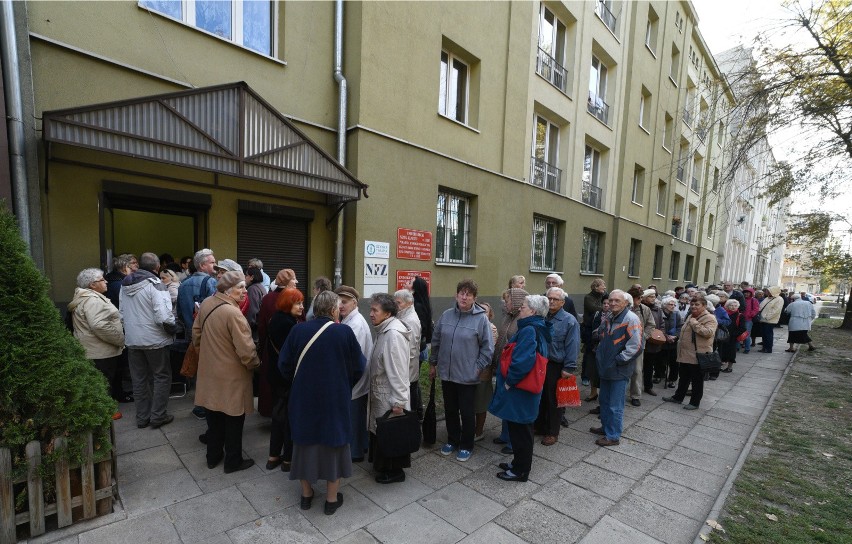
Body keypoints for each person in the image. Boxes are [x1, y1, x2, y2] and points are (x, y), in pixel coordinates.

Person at [279, 291, 365, 516]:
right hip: (334, 398)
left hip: (303, 396)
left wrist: (300, 382)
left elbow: (284, 365)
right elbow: (359, 367)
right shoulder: (343, 332)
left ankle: (306, 495)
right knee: (334, 445)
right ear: (334, 310)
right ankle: (331, 499)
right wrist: (343, 384)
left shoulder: (298, 330)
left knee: (303, 444)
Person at [193, 270, 260, 473]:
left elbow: (196, 334)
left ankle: (212, 457)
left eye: (244, 288)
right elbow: (247, 350)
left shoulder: (206, 303)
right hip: (232, 376)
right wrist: (255, 365)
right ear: (228, 290)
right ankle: (233, 461)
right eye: (240, 288)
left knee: (213, 418)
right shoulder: (233, 313)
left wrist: (206, 356)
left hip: (209, 372)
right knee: (234, 419)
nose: (244, 292)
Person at [429, 279, 494, 463]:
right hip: (447, 374)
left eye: (468, 294)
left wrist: (478, 367)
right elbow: (436, 341)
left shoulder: (481, 319)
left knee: (467, 412)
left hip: (467, 376)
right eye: (461, 293)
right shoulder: (447, 315)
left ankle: (466, 445)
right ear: (456, 295)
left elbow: (487, 348)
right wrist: (433, 363)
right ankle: (452, 440)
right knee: (450, 409)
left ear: (474, 298)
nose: (464, 297)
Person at [490, 295, 551, 481]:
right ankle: (517, 463)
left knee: (521, 431)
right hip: (525, 391)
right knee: (520, 429)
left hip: (521, 390)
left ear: (532, 311)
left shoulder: (529, 330)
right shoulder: (537, 326)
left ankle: (520, 471)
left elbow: (523, 361)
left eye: (523, 307)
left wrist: (510, 381)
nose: (520, 309)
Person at [119, 252, 176, 429]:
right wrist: (173, 329)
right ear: (157, 267)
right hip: (155, 340)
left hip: (133, 340)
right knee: (161, 377)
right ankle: (158, 416)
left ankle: (142, 417)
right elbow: (164, 317)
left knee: (139, 379)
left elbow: (121, 314)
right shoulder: (156, 284)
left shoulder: (124, 284)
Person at [68, 268, 126, 420]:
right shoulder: (92, 300)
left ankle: (103, 412)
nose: (106, 281)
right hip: (101, 351)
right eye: (102, 279)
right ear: (93, 284)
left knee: (99, 382)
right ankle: (106, 414)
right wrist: (120, 339)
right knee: (104, 382)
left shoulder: (86, 297)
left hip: (93, 349)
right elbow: (99, 326)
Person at [367, 293, 412, 484]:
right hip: (381, 393)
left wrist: (399, 401)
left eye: (375, 310)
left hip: (389, 396)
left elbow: (399, 371)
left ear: (387, 313)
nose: (370, 314)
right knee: (383, 433)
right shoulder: (384, 329)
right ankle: (384, 466)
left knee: (391, 433)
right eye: (371, 309)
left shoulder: (393, 335)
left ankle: (395, 472)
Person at [590, 290, 642, 446]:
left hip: (619, 369)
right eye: (610, 300)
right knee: (604, 401)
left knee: (615, 405)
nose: (612, 303)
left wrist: (619, 360)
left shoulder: (631, 318)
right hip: (606, 367)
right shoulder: (610, 316)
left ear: (625, 303)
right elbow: (603, 336)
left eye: (617, 301)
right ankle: (606, 427)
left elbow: (636, 346)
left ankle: (613, 436)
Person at [265, 288, 304, 472]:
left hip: (275, 373)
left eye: (302, 303)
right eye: (298, 303)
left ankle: (273, 456)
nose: (302, 307)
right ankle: (288, 458)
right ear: (288, 303)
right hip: (286, 376)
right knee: (289, 417)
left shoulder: (276, 318)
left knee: (278, 415)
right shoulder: (290, 324)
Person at [177, 248, 218, 420]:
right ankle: (204, 406)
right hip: (205, 332)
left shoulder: (183, 283)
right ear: (202, 265)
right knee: (207, 369)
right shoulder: (210, 283)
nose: (215, 266)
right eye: (212, 262)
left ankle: (198, 402)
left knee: (195, 365)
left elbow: (179, 311)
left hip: (189, 329)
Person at [535, 287, 579, 446]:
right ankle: (539, 426)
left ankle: (553, 432)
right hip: (540, 362)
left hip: (556, 364)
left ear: (562, 302)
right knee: (540, 397)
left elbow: (573, 345)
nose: (551, 301)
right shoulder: (541, 316)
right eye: (549, 298)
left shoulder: (569, 320)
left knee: (554, 400)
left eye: (555, 299)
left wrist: (569, 367)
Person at [335, 285, 373, 462]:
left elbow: (350, 356)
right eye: (338, 302)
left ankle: (355, 453)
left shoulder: (355, 323)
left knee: (354, 416)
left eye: (344, 302)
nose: (340, 305)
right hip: (357, 378)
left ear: (354, 302)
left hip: (355, 379)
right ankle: (361, 446)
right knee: (357, 416)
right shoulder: (350, 320)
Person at [663, 294, 717, 410]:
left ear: (704, 306)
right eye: (692, 304)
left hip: (698, 354)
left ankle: (694, 402)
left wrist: (694, 323)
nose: (693, 306)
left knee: (697, 380)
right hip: (685, 353)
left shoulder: (709, 318)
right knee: (683, 377)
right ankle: (678, 397)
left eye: (697, 304)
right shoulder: (691, 316)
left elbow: (708, 333)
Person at [256, 269, 298, 417]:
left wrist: (261, 349)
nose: (296, 282)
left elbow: (261, 326)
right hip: (290, 351)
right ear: (288, 281)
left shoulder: (267, 298)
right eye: (294, 279)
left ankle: (270, 411)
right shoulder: (294, 298)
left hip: (270, 346)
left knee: (270, 382)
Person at [491, 288, 528, 453]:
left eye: (507, 301)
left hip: (512, 368)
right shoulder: (509, 316)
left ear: (517, 301)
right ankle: (505, 435)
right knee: (505, 403)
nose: (505, 304)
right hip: (502, 366)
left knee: (513, 405)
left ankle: (513, 442)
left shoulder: (522, 320)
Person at [393, 289, 422, 430]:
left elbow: (410, 349)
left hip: (408, 368)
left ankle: (411, 427)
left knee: (410, 398)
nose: (395, 305)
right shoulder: (403, 315)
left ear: (408, 303)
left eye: (398, 302)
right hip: (406, 368)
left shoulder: (411, 319)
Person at [473, 301, 498, 441]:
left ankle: (479, 431)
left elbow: (487, 351)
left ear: (490, 314)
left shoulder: (491, 329)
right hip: (469, 372)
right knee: (471, 403)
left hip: (483, 373)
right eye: (479, 309)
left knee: (480, 404)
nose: (481, 312)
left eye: (485, 311)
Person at [627, 287, 655, 407]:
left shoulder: (645, 309)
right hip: (623, 344)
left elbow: (651, 324)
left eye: (640, 298)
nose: (639, 300)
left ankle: (635, 395)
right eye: (637, 298)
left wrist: (644, 336)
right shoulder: (625, 308)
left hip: (638, 345)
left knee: (637, 370)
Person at [411, 276, 433, 420]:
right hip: (420, 348)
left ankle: (418, 413)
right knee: (414, 381)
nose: (407, 284)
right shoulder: (420, 303)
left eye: (410, 283)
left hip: (417, 349)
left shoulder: (417, 306)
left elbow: (421, 329)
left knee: (413, 382)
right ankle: (418, 412)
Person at [586, 292, 611, 416]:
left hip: (606, 350)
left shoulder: (613, 316)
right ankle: (593, 393)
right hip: (593, 348)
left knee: (603, 375)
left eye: (608, 303)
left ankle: (603, 402)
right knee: (592, 371)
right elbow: (587, 327)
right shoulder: (597, 314)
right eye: (604, 303)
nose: (606, 305)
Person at [581, 279, 606, 388]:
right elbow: (594, 309)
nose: (604, 287)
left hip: (599, 328)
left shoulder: (603, 296)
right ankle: (585, 377)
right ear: (596, 287)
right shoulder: (588, 297)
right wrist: (605, 307)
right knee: (588, 353)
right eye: (602, 285)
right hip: (588, 328)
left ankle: (596, 377)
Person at [640, 290, 665, 396]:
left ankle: (648, 386)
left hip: (653, 342)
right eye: (650, 296)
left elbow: (662, 323)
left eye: (654, 296)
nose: (653, 298)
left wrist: (661, 333)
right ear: (644, 298)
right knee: (637, 367)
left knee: (649, 366)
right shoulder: (640, 308)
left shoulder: (658, 309)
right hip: (641, 341)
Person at [659, 296, 683, 388]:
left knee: (674, 362)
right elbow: (658, 326)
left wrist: (675, 336)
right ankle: (659, 375)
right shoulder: (660, 313)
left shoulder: (676, 314)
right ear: (664, 305)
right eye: (670, 304)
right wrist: (665, 336)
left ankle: (672, 379)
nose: (673, 306)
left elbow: (680, 326)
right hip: (661, 340)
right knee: (660, 360)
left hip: (673, 341)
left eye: (674, 304)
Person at [720, 299, 745, 373]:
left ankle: (729, 367)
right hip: (722, 336)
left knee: (731, 352)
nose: (733, 307)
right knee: (722, 350)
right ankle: (721, 365)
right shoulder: (724, 314)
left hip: (732, 337)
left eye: (735, 306)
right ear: (727, 306)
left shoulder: (740, 315)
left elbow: (743, 328)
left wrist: (733, 335)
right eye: (731, 305)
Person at [758, 287, 784, 353]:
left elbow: (776, 310)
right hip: (762, 319)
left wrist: (767, 317)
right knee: (764, 334)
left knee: (768, 335)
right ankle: (764, 347)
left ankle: (768, 348)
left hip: (770, 320)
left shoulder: (779, 299)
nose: (766, 292)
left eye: (768, 291)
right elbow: (761, 306)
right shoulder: (767, 298)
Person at [741, 287, 760, 353]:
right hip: (741, 319)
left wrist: (750, 315)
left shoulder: (754, 300)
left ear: (751, 293)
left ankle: (747, 348)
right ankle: (737, 347)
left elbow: (756, 309)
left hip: (748, 319)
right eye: (745, 292)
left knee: (747, 334)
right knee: (739, 333)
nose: (746, 294)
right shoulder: (742, 299)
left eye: (748, 293)